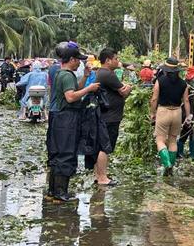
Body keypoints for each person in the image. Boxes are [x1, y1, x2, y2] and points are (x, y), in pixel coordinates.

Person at [46, 44, 98, 201]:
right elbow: (71, 97)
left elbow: (74, 89)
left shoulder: (61, 73)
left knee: (56, 152)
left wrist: (85, 77)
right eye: (78, 61)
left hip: (58, 118)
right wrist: (89, 89)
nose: (80, 64)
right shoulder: (67, 75)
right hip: (66, 119)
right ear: (72, 60)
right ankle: (61, 192)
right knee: (66, 153)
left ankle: (53, 191)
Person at [94, 49, 133, 186]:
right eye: (116, 58)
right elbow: (123, 91)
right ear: (108, 60)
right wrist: (128, 88)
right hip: (110, 117)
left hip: (107, 115)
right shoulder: (108, 74)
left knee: (102, 146)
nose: (118, 61)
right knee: (106, 146)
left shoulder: (102, 73)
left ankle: (99, 174)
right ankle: (102, 177)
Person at [150, 57, 191, 174]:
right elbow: (186, 101)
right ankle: (171, 167)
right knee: (173, 140)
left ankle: (167, 163)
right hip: (177, 112)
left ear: (166, 70)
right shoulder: (183, 84)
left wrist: (152, 113)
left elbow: (154, 99)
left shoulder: (160, 81)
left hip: (163, 111)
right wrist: (188, 116)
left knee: (160, 140)